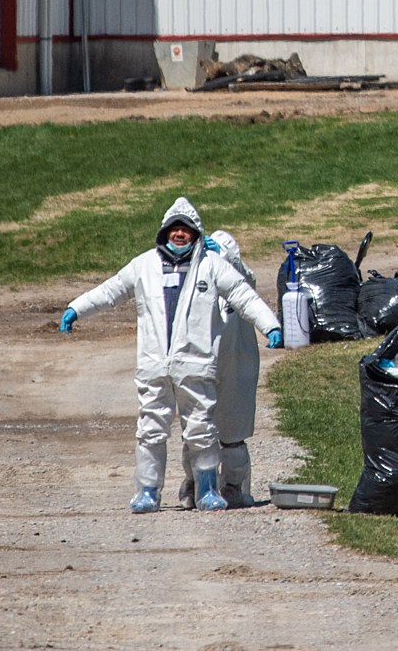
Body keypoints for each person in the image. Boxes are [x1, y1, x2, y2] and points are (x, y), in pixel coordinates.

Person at [59, 197, 281, 512]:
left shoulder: (210, 265)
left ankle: (206, 489)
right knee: (150, 428)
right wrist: (76, 308)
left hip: (196, 363)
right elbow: (110, 291)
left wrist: (270, 325)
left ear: (196, 234)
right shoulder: (144, 265)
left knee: (200, 429)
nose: (179, 235)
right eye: (174, 229)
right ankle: (147, 491)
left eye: (186, 230)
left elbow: (244, 295)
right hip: (154, 364)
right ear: (164, 233)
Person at [177, 226, 260, 509]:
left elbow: (248, 283)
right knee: (197, 426)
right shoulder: (183, 271)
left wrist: (229, 261)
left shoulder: (226, 254)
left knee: (234, 429)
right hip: (197, 359)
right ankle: (194, 484)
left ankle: (234, 487)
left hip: (237, 358)